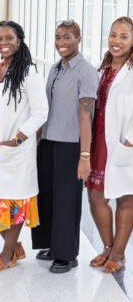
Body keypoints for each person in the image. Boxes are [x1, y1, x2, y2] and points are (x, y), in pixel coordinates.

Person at [0, 21, 48, 272]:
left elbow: (41, 112)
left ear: (20, 40)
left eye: (9, 38)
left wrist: (18, 139)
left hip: (13, 145)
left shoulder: (29, 71)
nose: (3, 43)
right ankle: (13, 245)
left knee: (13, 201)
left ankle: (7, 255)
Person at [31, 20, 99, 273]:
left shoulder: (86, 71)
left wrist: (85, 155)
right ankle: (51, 244)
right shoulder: (56, 68)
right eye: (58, 37)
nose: (61, 42)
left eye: (67, 37)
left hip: (71, 145)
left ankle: (67, 254)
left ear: (78, 39)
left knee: (66, 200)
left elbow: (86, 115)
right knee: (47, 196)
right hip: (48, 141)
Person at [86, 16, 133, 274]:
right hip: (98, 141)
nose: (116, 41)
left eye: (124, 36)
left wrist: (130, 140)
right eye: (113, 35)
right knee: (95, 196)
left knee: (126, 198)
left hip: (123, 144)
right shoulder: (101, 68)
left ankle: (119, 253)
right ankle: (107, 246)